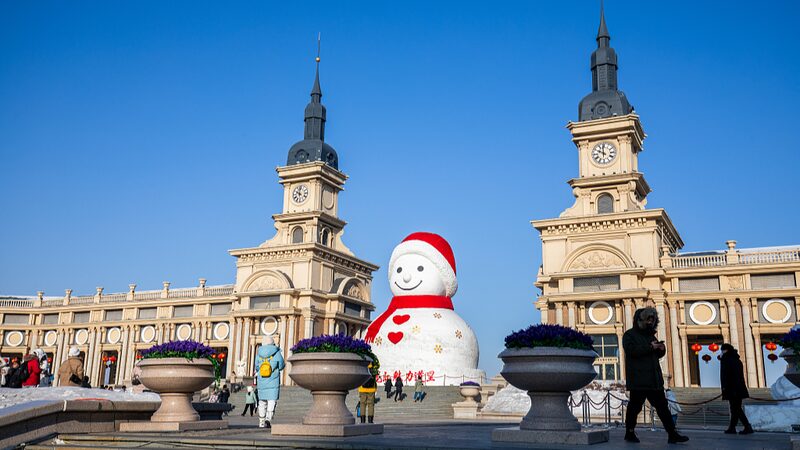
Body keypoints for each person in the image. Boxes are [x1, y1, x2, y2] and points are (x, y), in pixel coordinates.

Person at [622, 307, 688, 444]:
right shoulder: (629, 335)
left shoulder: (651, 335)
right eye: (648, 320)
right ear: (640, 320)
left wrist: (661, 350)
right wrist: (651, 347)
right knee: (635, 408)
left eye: (652, 320)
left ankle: (672, 434)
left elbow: (655, 355)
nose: (650, 323)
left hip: (654, 380)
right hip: (639, 379)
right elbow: (631, 351)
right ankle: (629, 432)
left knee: (663, 407)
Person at [720, 343, 754, 435]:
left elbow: (728, 376)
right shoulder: (736, 360)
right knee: (735, 409)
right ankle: (732, 428)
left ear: (726, 350)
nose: (721, 352)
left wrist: (726, 388)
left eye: (722, 350)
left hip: (732, 389)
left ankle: (747, 426)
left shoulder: (727, 360)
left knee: (736, 409)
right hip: (738, 388)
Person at [254, 336, 286, 428]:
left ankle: (261, 422)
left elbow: (257, 367)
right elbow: (281, 366)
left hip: (262, 381)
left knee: (262, 402)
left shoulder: (258, 354)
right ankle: (269, 418)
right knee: (272, 400)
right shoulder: (277, 353)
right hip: (273, 381)